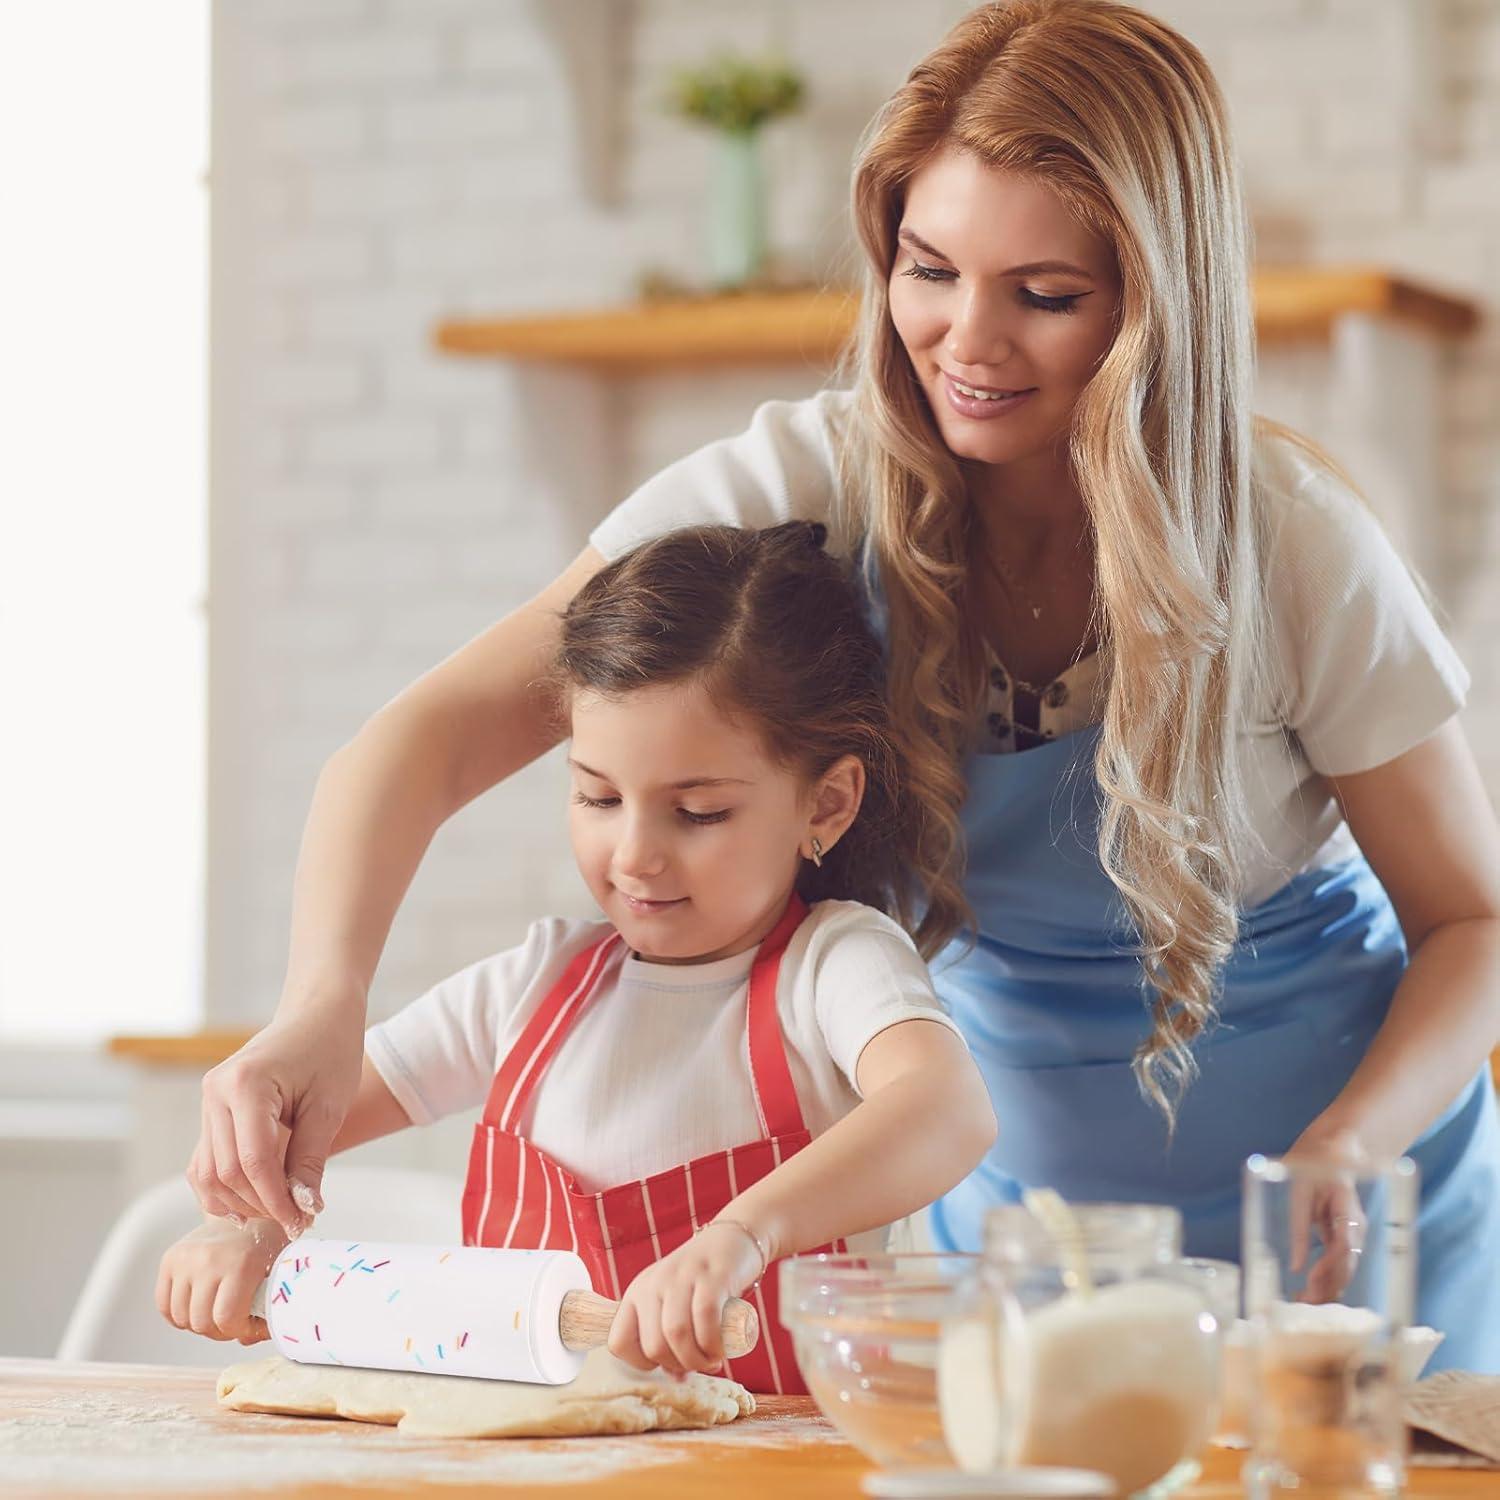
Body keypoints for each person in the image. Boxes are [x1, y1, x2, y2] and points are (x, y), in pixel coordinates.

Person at [190, 0, 1500, 1371]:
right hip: (1027, 1227)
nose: (967, 343)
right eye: (928, 271)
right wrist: (321, 1004)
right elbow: (424, 738)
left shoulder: (1291, 544)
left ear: (1155, 301)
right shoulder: (808, 484)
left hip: (1341, 1214)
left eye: (1044, 296)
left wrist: (1346, 1147)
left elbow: (1471, 922)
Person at [159, 523, 996, 1392]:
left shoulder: (832, 967)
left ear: (825, 803)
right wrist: (248, 1227)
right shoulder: (534, 985)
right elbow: (305, 1129)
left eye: (699, 812)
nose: (634, 854)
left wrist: (743, 1236)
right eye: (597, 795)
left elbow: (947, 1110)